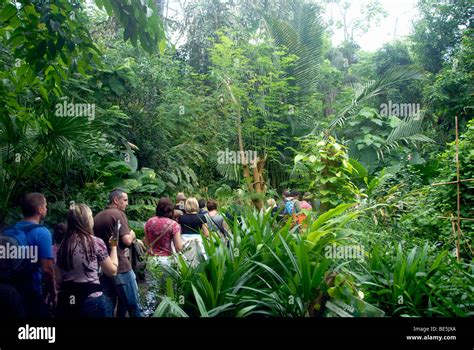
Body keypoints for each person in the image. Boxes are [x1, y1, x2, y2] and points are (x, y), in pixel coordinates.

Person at [56, 204, 118, 318]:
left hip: (68, 300)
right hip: (91, 300)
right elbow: (112, 271)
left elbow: (58, 278)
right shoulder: (95, 242)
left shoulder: (63, 246)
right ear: (87, 221)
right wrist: (113, 247)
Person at [2, 193, 57, 318]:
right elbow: (47, 270)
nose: (47, 209)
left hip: (6, 290)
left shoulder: (8, 230)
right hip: (30, 291)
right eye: (46, 206)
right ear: (40, 209)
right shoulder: (42, 232)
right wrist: (53, 294)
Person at [94, 189, 142, 318]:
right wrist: (132, 234)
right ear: (116, 200)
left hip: (104, 268)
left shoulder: (97, 216)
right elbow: (126, 240)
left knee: (109, 307)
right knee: (133, 306)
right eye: (125, 200)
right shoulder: (118, 214)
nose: (127, 204)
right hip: (121, 266)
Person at [144, 197, 183, 269]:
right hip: (167, 261)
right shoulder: (174, 225)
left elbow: (146, 242)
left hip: (152, 260)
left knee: (151, 280)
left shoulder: (149, 222)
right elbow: (178, 247)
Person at [178, 198, 209, 266]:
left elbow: (178, 232)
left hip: (184, 242)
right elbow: (206, 234)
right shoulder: (201, 217)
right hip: (198, 242)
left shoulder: (181, 218)